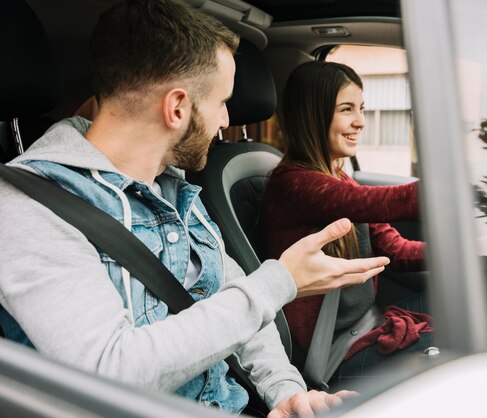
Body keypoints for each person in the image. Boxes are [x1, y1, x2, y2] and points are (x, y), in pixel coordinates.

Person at [0, 1, 391, 417]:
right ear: (178, 108)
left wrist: (285, 392)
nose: (226, 119)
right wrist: (280, 281)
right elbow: (108, 371)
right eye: (222, 101)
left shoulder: (173, 186)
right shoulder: (31, 208)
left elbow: (231, 297)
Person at [261, 61, 433, 387]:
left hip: (369, 324)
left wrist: (462, 251)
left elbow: (395, 249)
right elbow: (388, 202)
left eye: (362, 108)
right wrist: (485, 184)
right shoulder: (293, 185)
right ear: (313, 115)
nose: (360, 121)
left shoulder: (340, 180)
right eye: (346, 109)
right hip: (335, 353)